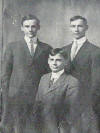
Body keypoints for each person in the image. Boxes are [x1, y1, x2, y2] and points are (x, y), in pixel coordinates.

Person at [1, 14, 52, 133]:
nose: (30, 29)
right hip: (15, 97)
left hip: (38, 98)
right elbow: (5, 75)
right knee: (16, 128)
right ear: (21, 28)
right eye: (27, 26)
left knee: (35, 128)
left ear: (38, 27)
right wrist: (7, 96)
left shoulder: (46, 48)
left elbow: (50, 75)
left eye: (33, 26)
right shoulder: (12, 47)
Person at [62, 15, 100, 132]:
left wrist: (91, 103)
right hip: (65, 102)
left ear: (86, 28)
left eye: (80, 26)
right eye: (73, 26)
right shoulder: (64, 50)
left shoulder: (95, 51)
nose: (76, 29)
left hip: (86, 102)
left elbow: (97, 80)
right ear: (70, 28)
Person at [33, 48, 81, 133]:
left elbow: (71, 111)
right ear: (48, 61)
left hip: (58, 127)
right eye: (52, 60)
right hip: (41, 126)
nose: (54, 63)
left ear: (65, 62)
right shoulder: (44, 78)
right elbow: (37, 103)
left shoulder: (72, 81)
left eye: (58, 60)